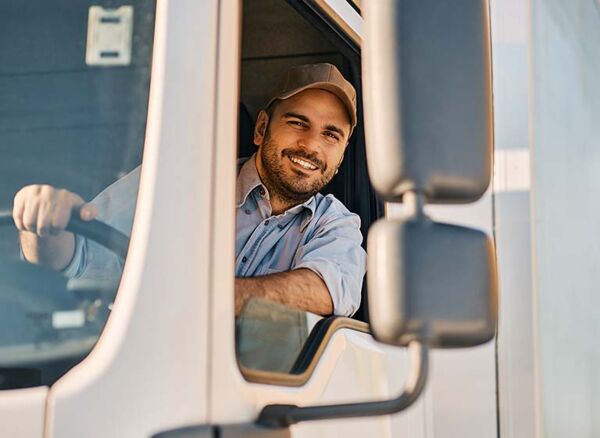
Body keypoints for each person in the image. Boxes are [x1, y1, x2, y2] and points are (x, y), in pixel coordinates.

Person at [13, 63, 366, 317]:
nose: (310, 146)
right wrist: (42, 223)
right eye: (297, 123)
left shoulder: (335, 224)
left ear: (340, 156)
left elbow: (327, 291)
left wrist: (191, 299)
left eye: (330, 134)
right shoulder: (176, 179)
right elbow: (77, 256)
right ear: (261, 129)